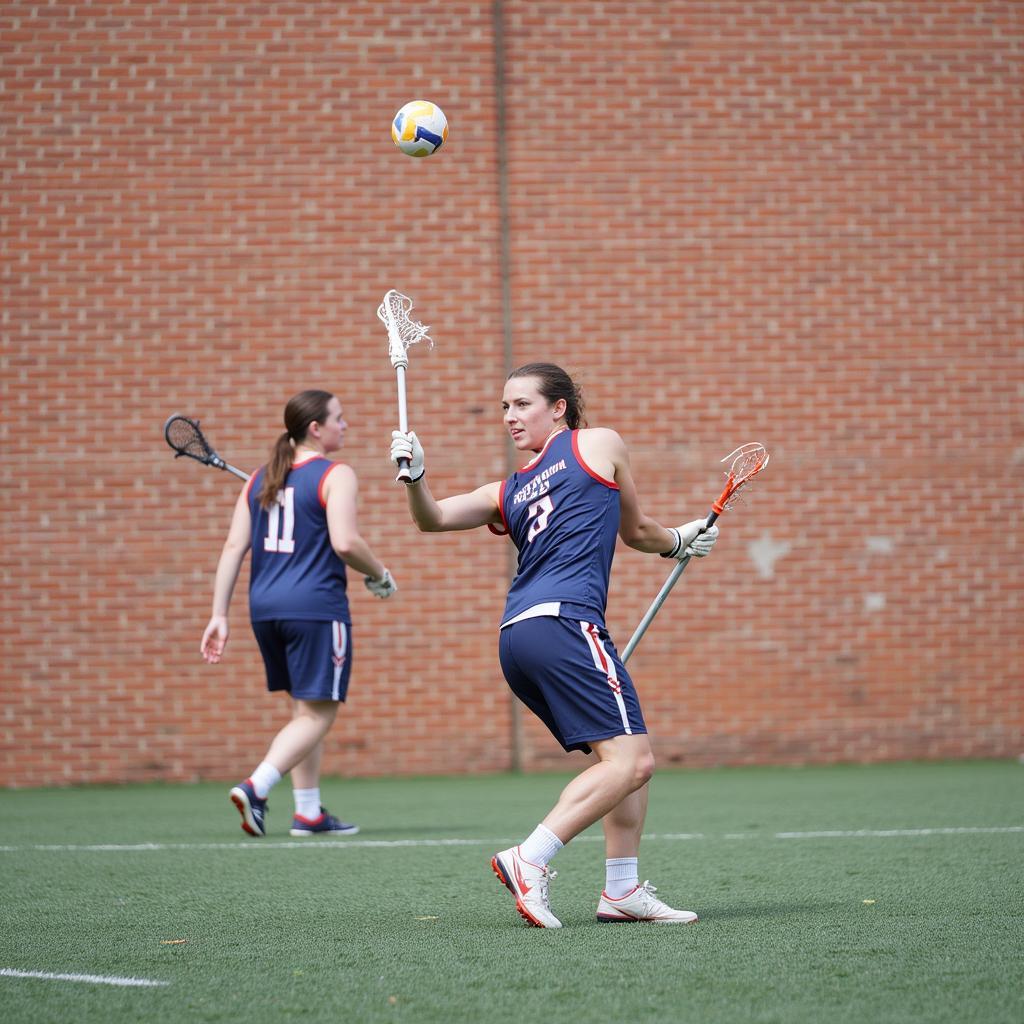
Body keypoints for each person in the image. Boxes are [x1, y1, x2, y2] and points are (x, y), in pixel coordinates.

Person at [389, 363, 718, 928]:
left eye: (521, 405)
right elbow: (638, 533)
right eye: (505, 407)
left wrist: (680, 538)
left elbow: (434, 519)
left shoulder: (521, 482)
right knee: (634, 762)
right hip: (566, 624)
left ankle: (621, 889)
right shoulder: (590, 448)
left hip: (521, 637)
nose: (510, 418)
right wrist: (416, 476)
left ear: (558, 407)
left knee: (619, 756)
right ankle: (530, 858)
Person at [202, 389, 396, 838]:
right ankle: (258, 786)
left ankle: (308, 811)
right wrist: (380, 573)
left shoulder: (260, 479)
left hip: (264, 609)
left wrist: (219, 614)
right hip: (314, 608)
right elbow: (346, 543)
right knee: (318, 714)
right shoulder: (336, 474)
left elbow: (234, 546)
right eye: (339, 419)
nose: (345, 426)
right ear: (315, 428)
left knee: (304, 709)